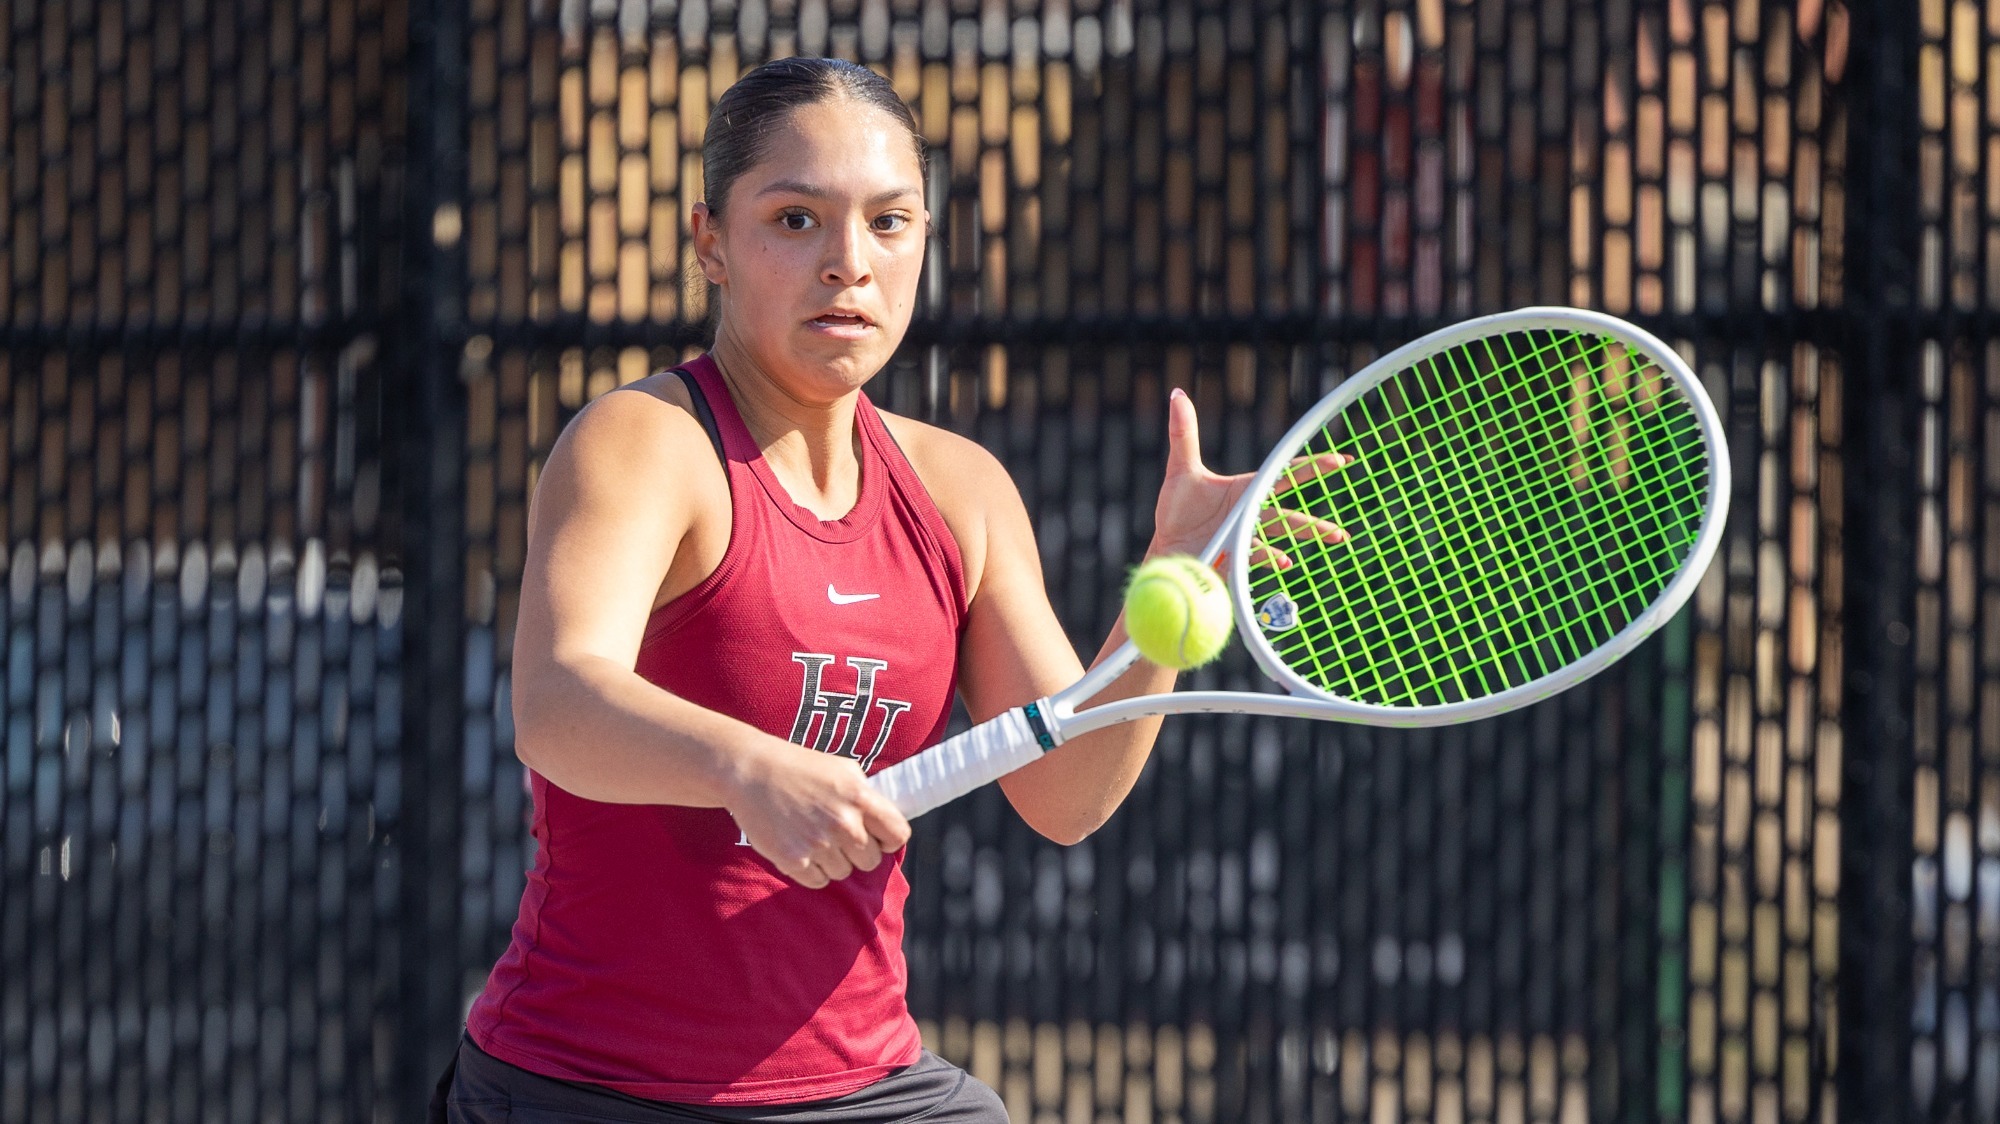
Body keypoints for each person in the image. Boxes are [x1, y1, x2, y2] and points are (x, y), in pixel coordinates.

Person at [434, 55, 1323, 1124]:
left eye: (889, 222)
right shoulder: (646, 443)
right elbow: (556, 701)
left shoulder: (960, 489)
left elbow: (1068, 791)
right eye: (796, 219)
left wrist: (1175, 579)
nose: (847, 263)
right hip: (590, 1086)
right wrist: (748, 769)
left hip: (868, 1085)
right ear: (708, 241)